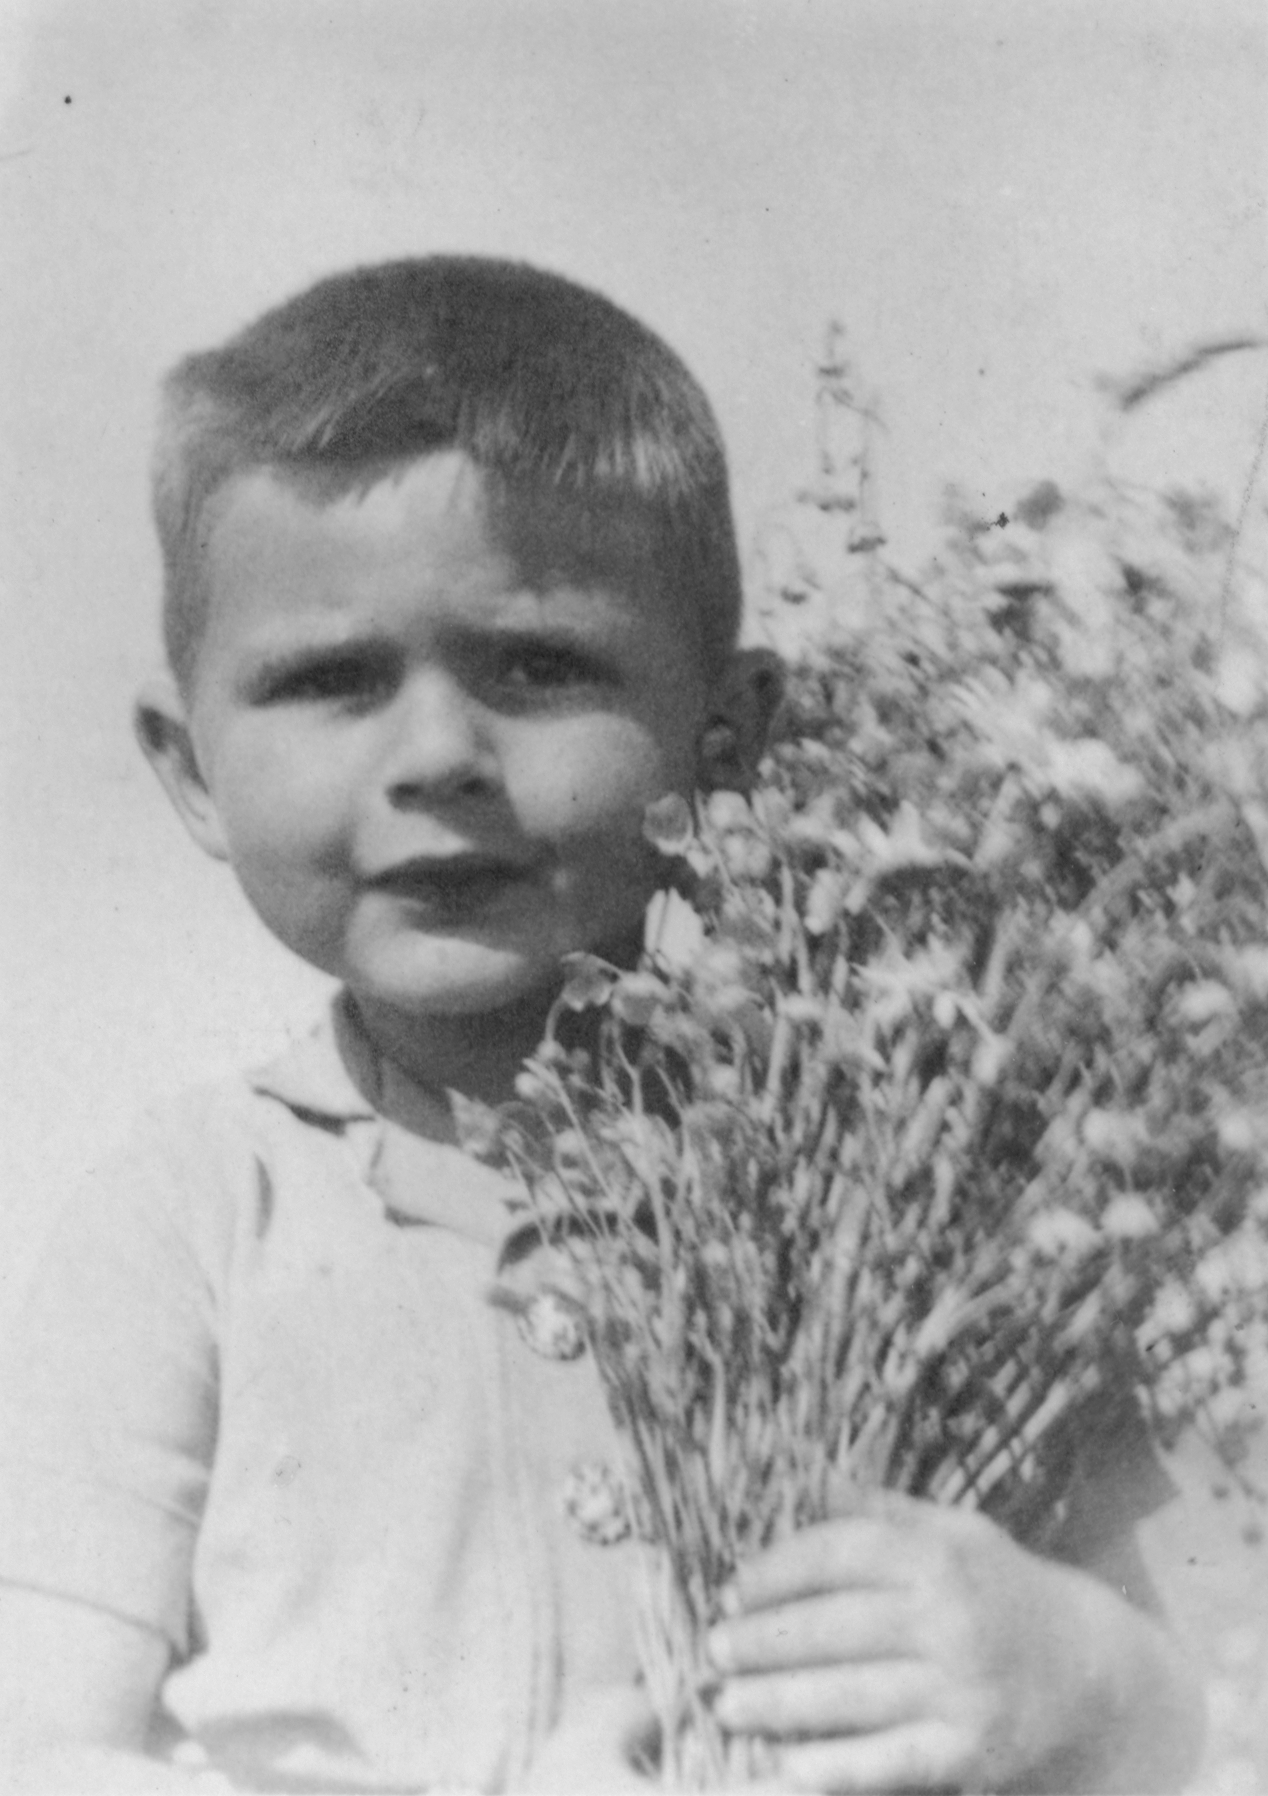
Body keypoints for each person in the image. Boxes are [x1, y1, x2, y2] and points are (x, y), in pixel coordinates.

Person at [0, 257, 1203, 1793]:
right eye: (333, 679)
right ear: (190, 772)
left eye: (537, 665)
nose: (438, 754)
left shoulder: (912, 1198)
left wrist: (1073, 1670)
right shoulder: (193, 1214)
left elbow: (1192, 1712)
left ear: (735, 735)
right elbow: (36, 1738)